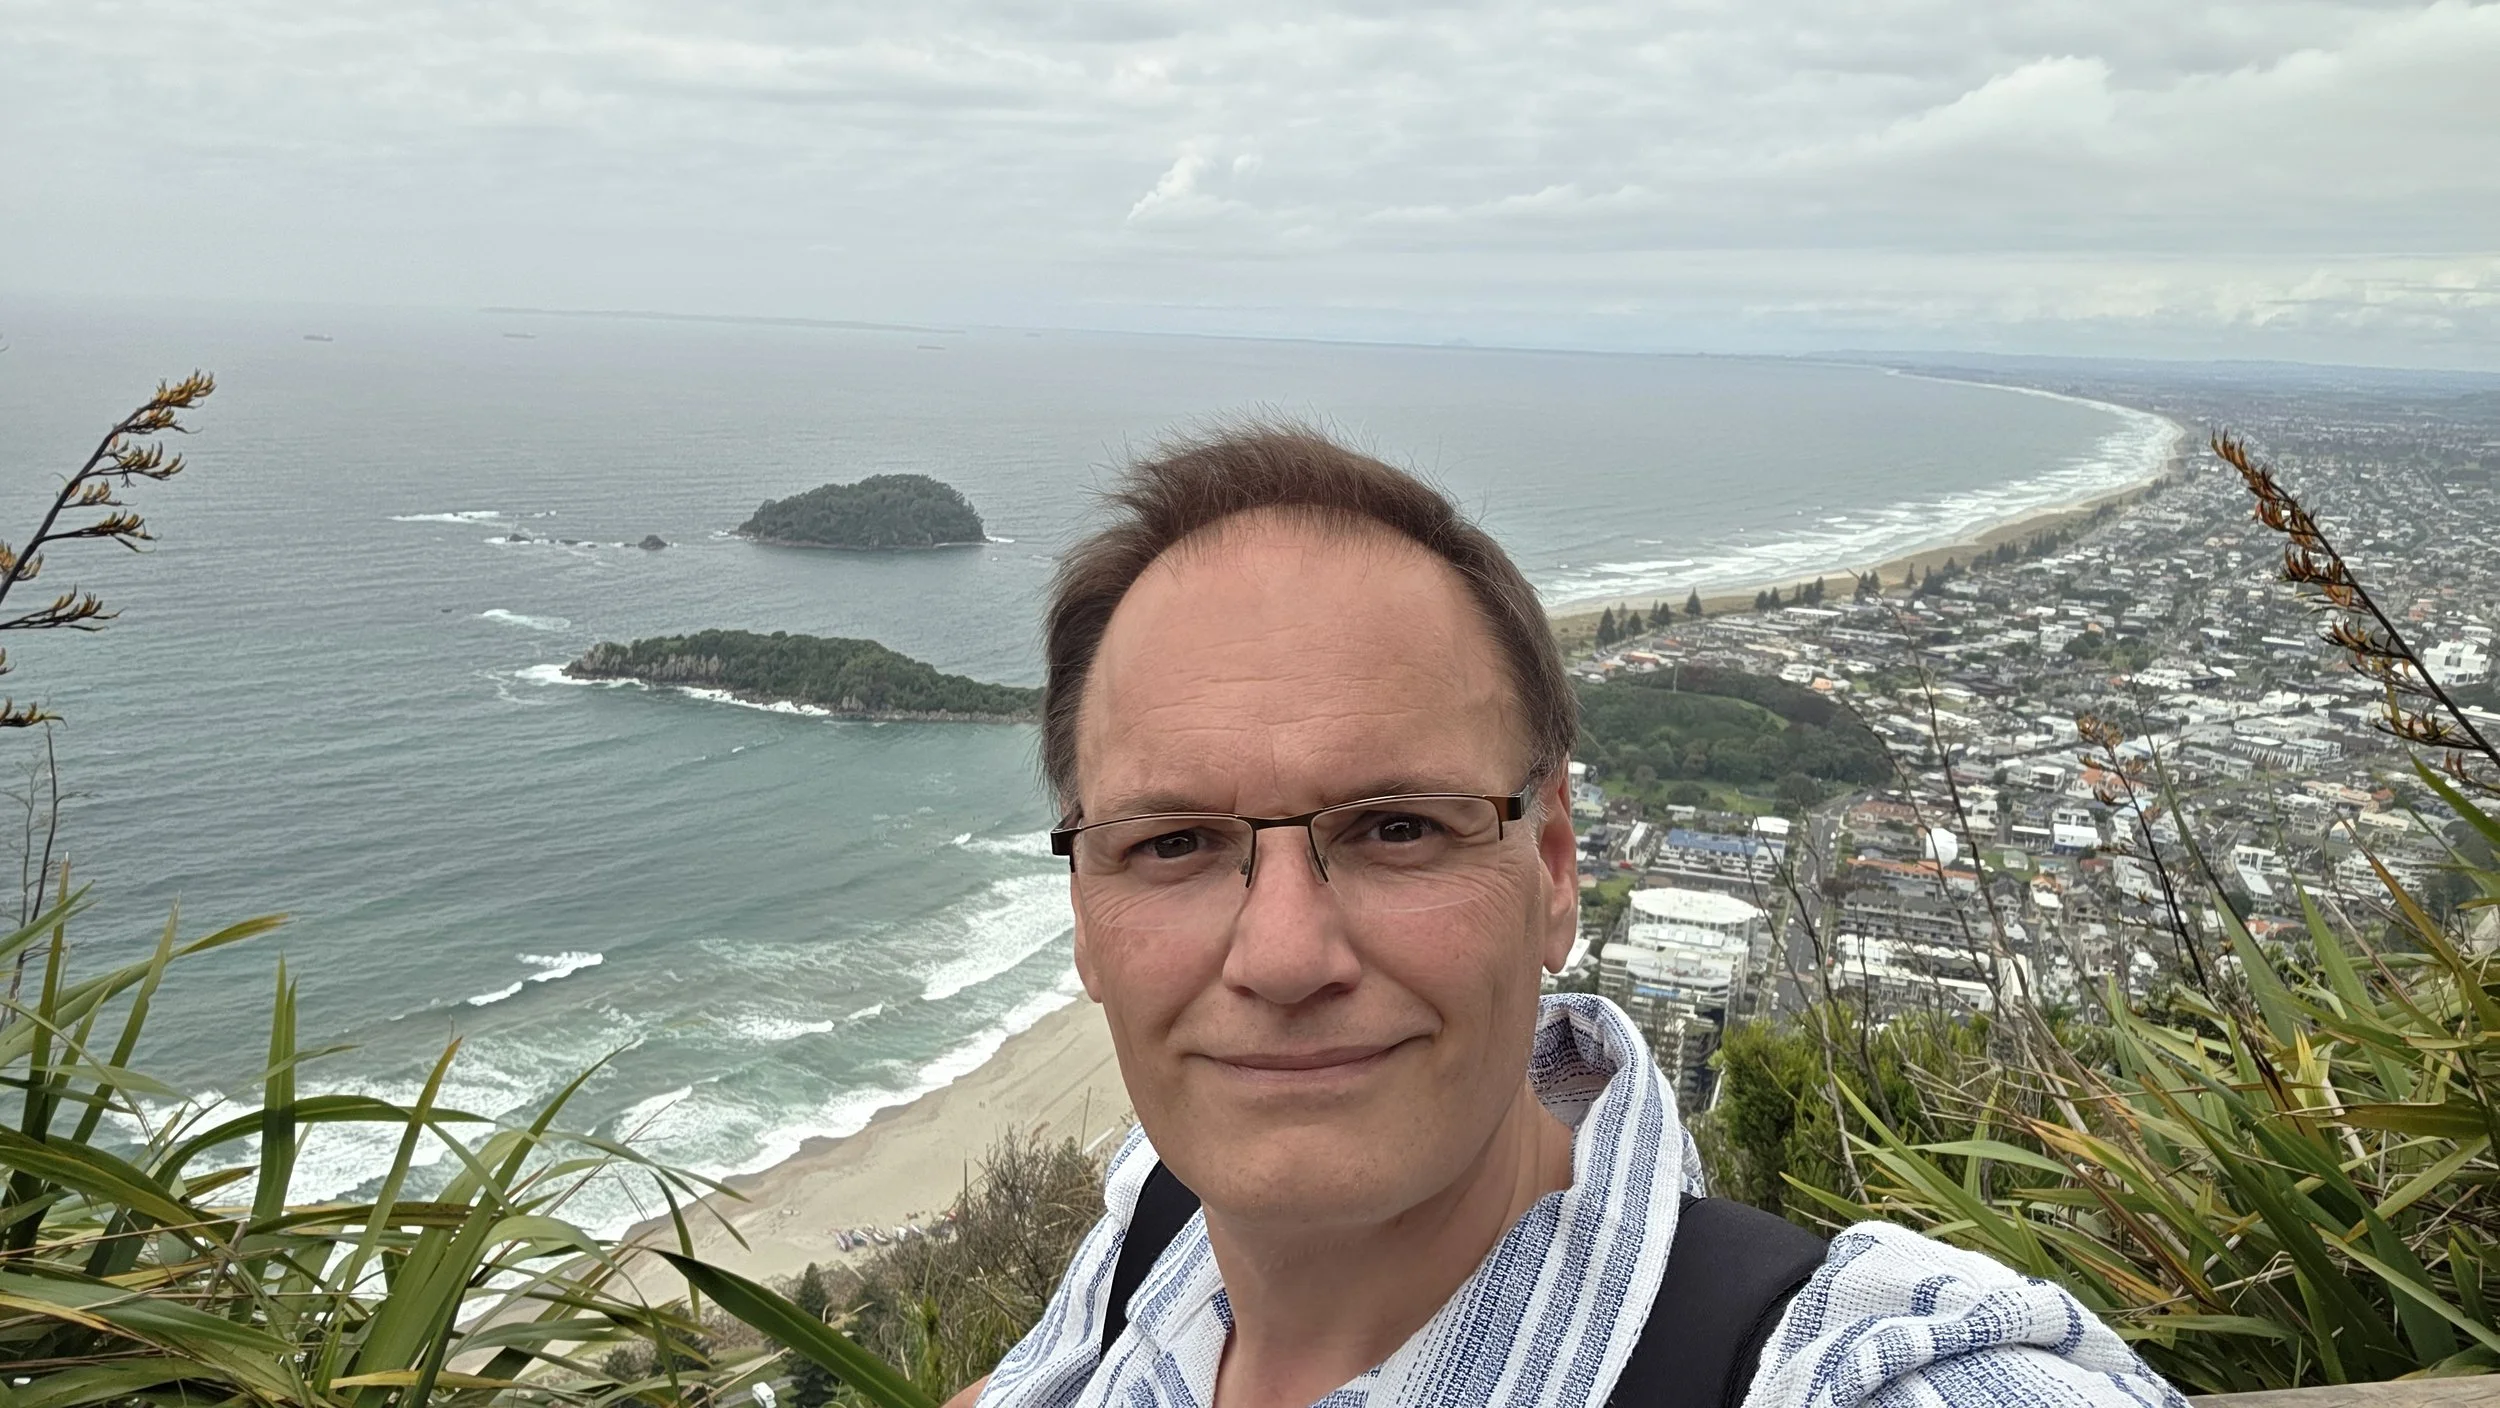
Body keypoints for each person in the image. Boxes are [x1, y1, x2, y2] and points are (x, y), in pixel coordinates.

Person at [955, 425, 2180, 1408]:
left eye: (1396, 828)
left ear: (1551, 867)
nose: (1281, 956)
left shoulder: (1836, 1370)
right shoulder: (1157, 1212)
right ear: (1083, 910)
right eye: (1173, 843)